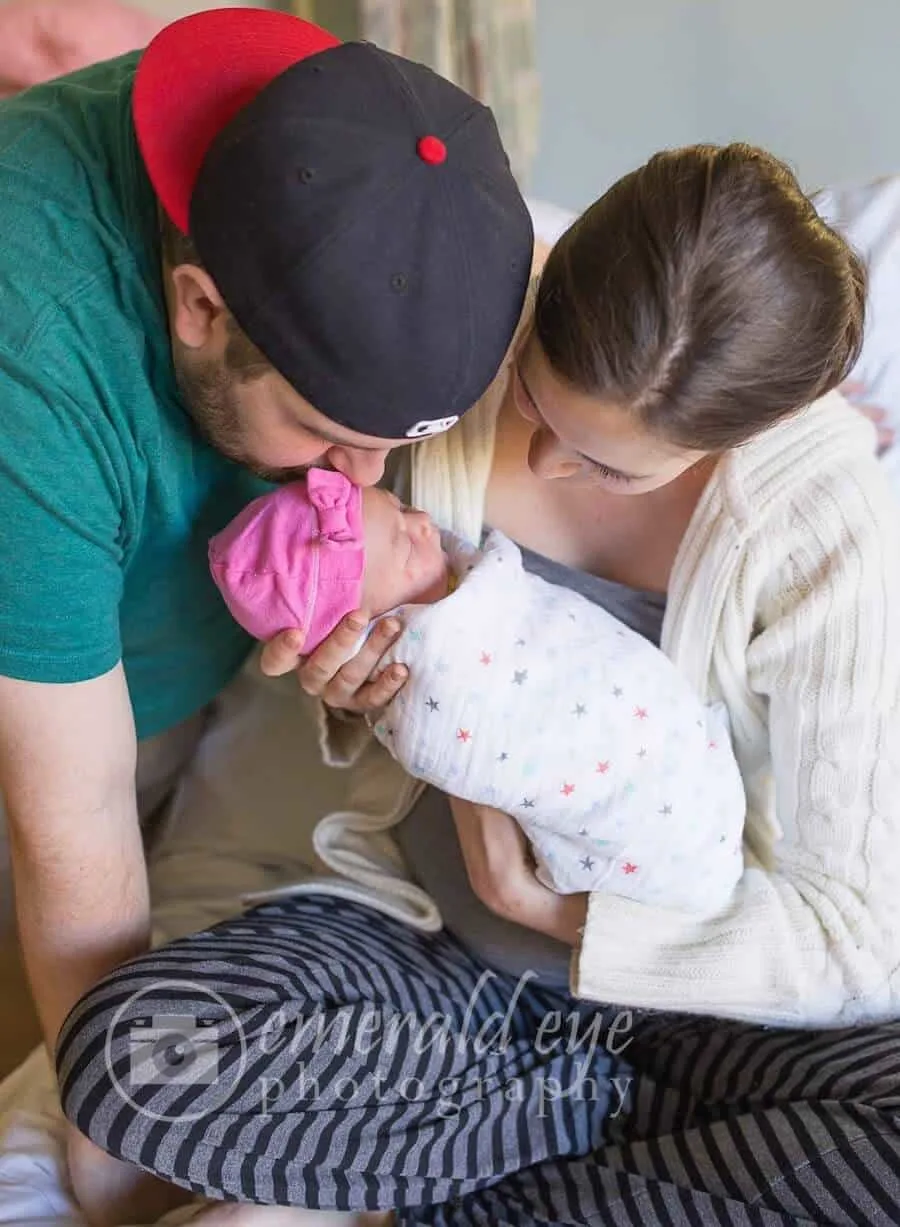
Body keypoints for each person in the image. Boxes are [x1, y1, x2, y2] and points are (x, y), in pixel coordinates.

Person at [56, 140, 900, 1226]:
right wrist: (361, 698)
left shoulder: (818, 524)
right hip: (435, 963)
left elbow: (861, 936)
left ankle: (461, 1165)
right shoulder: (457, 368)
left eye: (607, 465)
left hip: (705, 1003)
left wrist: (548, 910)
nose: (547, 465)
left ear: (740, 435)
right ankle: (585, 1129)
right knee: (132, 1055)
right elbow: (407, 673)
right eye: (541, 411)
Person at [0, 4, 533, 1223]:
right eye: (325, 437)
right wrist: (121, 1187)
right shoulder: (30, 352)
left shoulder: (365, 161)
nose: (350, 488)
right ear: (199, 306)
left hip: (152, 669)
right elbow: (69, 834)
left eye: (380, 448)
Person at [208, 469, 745, 906]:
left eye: (401, 507)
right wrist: (360, 704)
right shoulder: (422, 663)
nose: (423, 522)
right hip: (410, 905)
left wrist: (512, 896)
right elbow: (457, 741)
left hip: (671, 767)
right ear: (365, 625)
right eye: (403, 543)